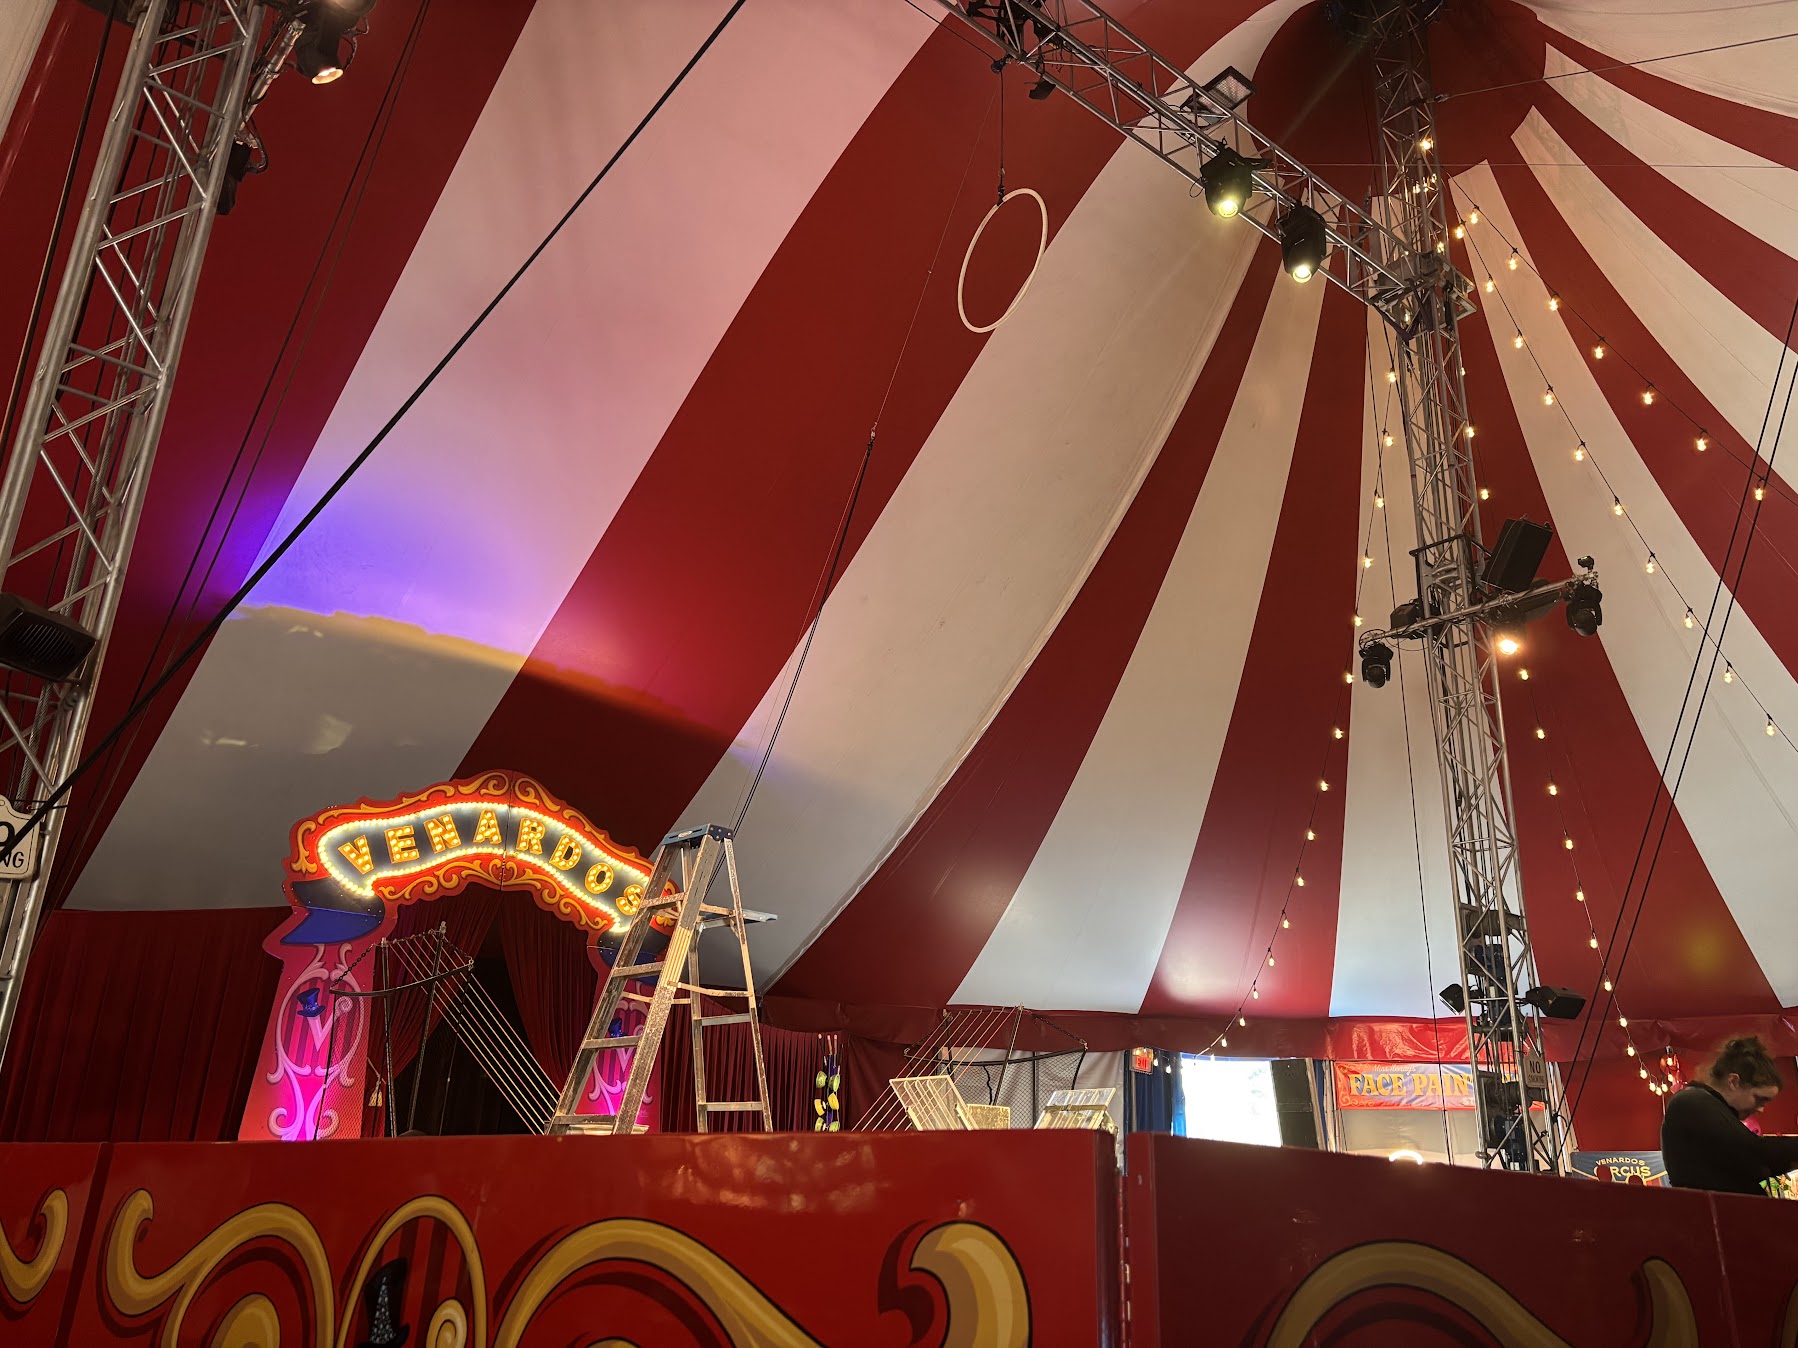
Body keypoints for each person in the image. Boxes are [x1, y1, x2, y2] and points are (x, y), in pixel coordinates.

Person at [1661, 1036, 1798, 1195]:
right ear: (1733, 1081)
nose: (1761, 1109)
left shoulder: (1697, 1103)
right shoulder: (1691, 1101)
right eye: (1759, 1098)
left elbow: (1754, 1167)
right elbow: (1754, 1151)